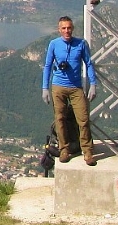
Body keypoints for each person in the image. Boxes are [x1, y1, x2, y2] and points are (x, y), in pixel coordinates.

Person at [41, 16, 98, 166]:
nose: (67, 31)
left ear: (72, 28)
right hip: (58, 87)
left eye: (69, 28)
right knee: (60, 119)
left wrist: (93, 84)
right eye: (64, 28)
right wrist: (45, 88)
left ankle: (87, 151)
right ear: (59, 29)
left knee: (83, 119)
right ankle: (64, 149)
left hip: (75, 88)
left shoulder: (81, 44)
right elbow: (47, 66)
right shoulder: (54, 44)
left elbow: (89, 63)